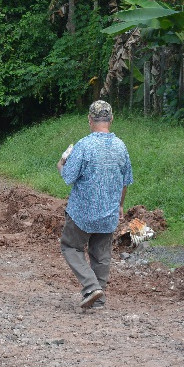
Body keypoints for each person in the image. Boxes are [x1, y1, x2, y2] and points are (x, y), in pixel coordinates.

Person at [56, 100, 133, 309]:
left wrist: (61, 165)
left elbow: (69, 177)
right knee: (101, 254)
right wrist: (119, 206)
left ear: (90, 120)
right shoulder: (121, 147)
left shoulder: (84, 145)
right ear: (111, 119)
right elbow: (125, 182)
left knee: (70, 246)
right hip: (108, 211)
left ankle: (91, 287)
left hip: (82, 212)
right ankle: (99, 298)